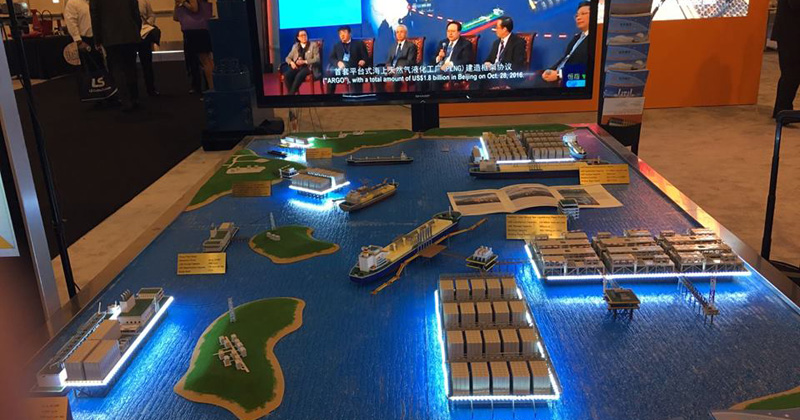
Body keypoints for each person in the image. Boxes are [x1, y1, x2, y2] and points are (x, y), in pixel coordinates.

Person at [90, 0, 143, 111]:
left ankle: (125, 100)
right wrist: (136, 30)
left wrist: (97, 39)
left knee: (117, 69)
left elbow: (95, 16)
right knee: (131, 67)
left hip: (110, 36)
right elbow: (135, 12)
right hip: (129, 33)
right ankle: (135, 97)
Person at [540, 1, 590, 86]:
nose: (578, 18)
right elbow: (565, 59)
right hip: (556, 77)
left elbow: (588, 68)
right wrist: (550, 71)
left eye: (583, 14)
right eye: (577, 15)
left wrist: (559, 74)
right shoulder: (576, 38)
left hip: (570, 82)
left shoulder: (595, 40)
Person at [174, 0, 214, 93]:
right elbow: (176, 17)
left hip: (196, 32)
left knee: (205, 61)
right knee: (206, 60)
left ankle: (212, 88)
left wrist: (183, 2)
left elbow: (194, 8)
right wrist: (177, 5)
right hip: (198, 31)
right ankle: (211, 86)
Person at [771, 0, 800, 120]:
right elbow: (795, 4)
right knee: (791, 74)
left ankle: (783, 111)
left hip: (792, 33)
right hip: (790, 34)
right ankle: (783, 112)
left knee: (793, 74)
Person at [327, 25, 369, 94]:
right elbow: (332, 58)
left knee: (353, 76)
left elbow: (365, 57)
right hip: (341, 69)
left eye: (344, 33)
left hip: (354, 68)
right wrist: (338, 63)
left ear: (350, 33)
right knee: (331, 75)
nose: (342, 35)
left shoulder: (359, 43)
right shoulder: (337, 45)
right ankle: (329, 97)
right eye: (340, 34)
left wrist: (363, 61)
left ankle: (356, 97)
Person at [382, 24, 417, 92]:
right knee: (378, 78)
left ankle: (396, 98)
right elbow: (388, 61)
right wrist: (389, 67)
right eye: (397, 32)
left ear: (406, 33)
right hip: (391, 70)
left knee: (396, 78)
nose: (399, 34)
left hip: (402, 70)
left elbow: (410, 62)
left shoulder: (411, 46)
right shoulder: (393, 46)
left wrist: (397, 68)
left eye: (401, 32)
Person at [283, 29, 320, 95]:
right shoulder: (295, 46)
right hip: (297, 67)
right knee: (287, 75)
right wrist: (291, 63)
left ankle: (290, 95)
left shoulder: (313, 45)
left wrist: (304, 61)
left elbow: (317, 59)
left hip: (308, 67)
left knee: (299, 75)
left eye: (305, 35)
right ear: (298, 38)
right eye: (302, 35)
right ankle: (293, 94)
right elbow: (287, 58)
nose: (304, 37)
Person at [137, 0, 159, 96]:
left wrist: (148, 24)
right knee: (130, 65)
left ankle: (150, 88)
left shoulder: (144, 1)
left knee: (147, 64)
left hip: (144, 34)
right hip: (130, 35)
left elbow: (151, 15)